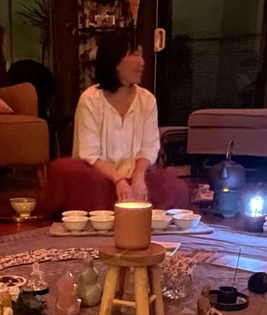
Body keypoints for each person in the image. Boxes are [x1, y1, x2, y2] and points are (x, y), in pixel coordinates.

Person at [39, 33, 189, 216]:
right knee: (63, 170)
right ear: (116, 63)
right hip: (99, 175)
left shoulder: (147, 99)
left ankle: (113, 208)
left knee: (177, 188)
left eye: (141, 55)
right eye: (134, 54)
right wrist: (118, 180)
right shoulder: (90, 99)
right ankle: (119, 207)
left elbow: (149, 147)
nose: (141, 62)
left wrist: (138, 177)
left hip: (136, 175)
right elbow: (89, 153)